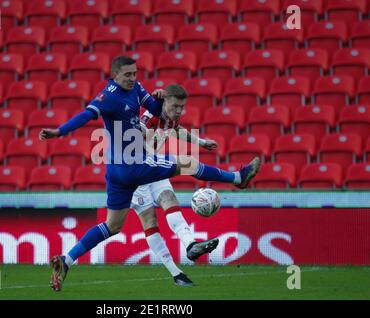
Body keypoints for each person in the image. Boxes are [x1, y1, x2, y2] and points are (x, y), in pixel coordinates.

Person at [39, 56, 260, 291]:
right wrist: (59, 131)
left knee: (112, 225)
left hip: (115, 171)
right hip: (134, 164)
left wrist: (161, 100)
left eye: (135, 73)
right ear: (114, 75)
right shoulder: (108, 98)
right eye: (128, 75)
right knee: (186, 164)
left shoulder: (136, 88)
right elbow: (87, 115)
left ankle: (66, 261)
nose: (133, 78)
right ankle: (238, 178)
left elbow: (158, 112)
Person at [131, 84, 220, 286]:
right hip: (135, 173)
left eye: (182, 107)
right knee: (151, 222)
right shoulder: (149, 116)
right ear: (165, 101)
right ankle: (175, 273)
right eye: (176, 106)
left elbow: (175, 130)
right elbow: (137, 130)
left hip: (154, 165)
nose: (179, 110)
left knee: (170, 200)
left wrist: (201, 142)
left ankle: (190, 246)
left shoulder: (171, 117)